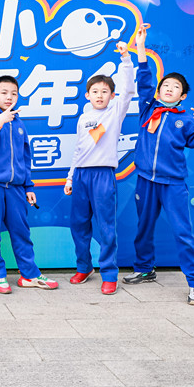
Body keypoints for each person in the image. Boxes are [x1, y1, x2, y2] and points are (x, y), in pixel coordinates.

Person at [123, 25, 194, 306]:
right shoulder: (148, 108)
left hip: (173, 184)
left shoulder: (186, 120)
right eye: (165, 85)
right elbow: (144, 79)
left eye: (175, 87)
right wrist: (140, 48)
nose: (168, 88)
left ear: (182, 96)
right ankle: (144, 268)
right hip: (145, 180)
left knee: (182, 233)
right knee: (143, 226)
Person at [0, 75, 59, 294]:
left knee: (21, 232)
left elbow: (24, 158)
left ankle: (29, 274)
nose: (9, 97)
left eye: (13, 94)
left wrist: (28, 187)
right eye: (4, 93)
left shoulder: (19, 124)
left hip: (16, 188)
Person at [64, 40, 135, 295]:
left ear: (112, 96)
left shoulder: (115, 113)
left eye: (105, 91)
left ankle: (109, 274)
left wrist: (126, 59)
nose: (100, 95)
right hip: (81, 176)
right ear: (87, 95)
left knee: (106, 226)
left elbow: (128, 90)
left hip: (103, 175)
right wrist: (70, 178)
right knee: (79, 225)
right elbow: (79, 150)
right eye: (95, 91)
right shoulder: (84, 118)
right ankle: (84, 267)